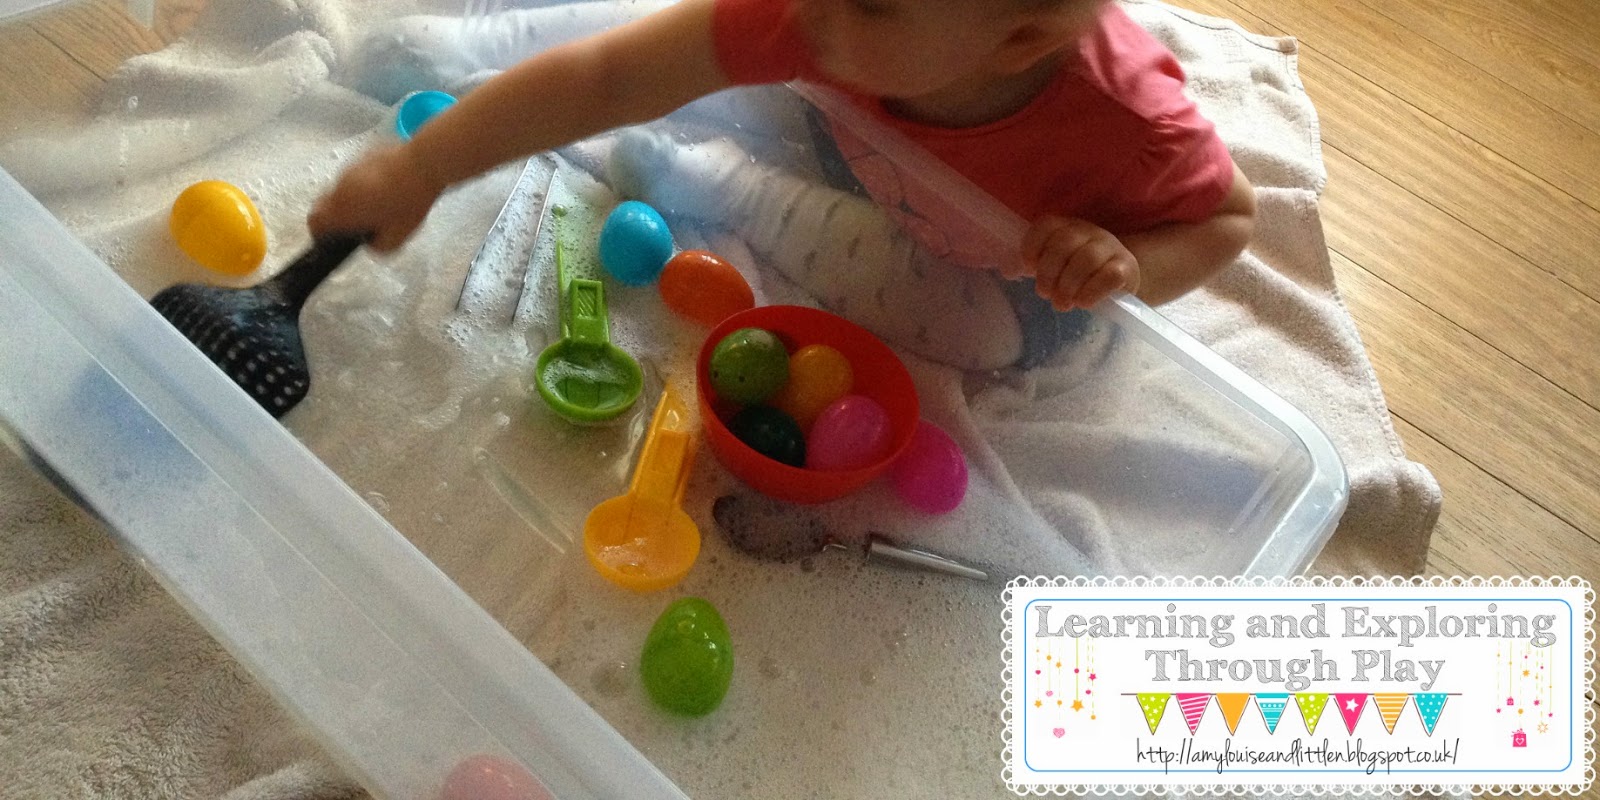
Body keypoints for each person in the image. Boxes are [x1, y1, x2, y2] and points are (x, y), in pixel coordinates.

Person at [310, 0, 1256, 312]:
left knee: (991, 335)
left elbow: (1229, 218)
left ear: (1017, 42)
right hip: (843, 130)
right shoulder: (832, 22)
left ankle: (721, 184)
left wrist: (1129, 268)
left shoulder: (1126, 127)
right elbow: (606, 80)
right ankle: (487, 38)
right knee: (673, 43)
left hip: (981, 248)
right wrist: (426, 166)